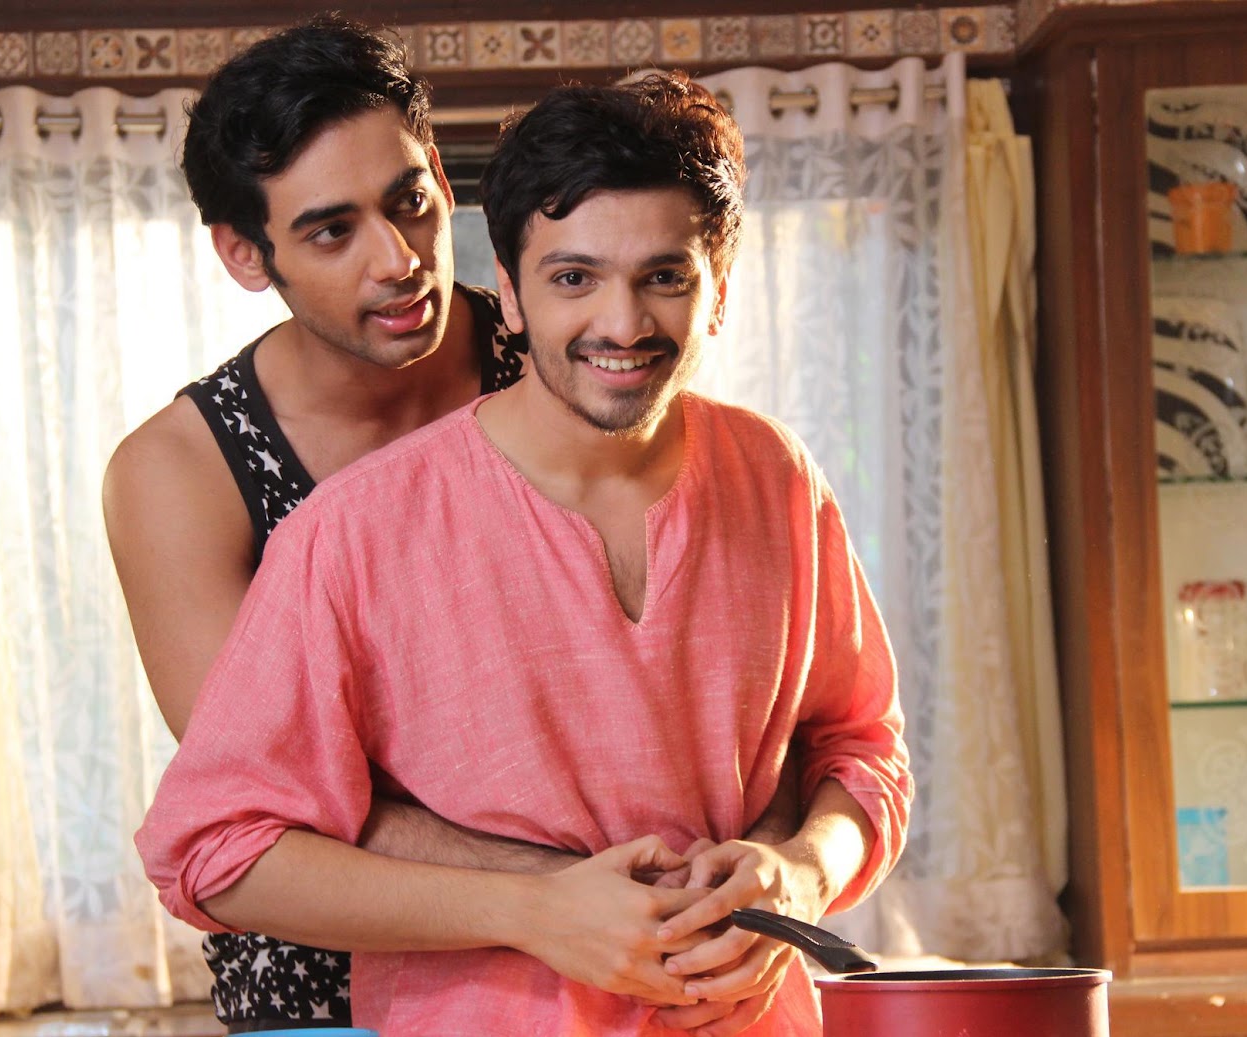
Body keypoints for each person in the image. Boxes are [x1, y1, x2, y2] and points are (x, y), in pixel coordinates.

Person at [135, 72, 912, 1037]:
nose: (622, 325)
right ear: (508, 289)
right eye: (573, 278)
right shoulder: (348, 532)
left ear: (719, 287)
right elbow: (216, 845)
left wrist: (803, 870)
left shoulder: (779, 476)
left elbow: (862, 746)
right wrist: (536, 909)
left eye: (665, 276)